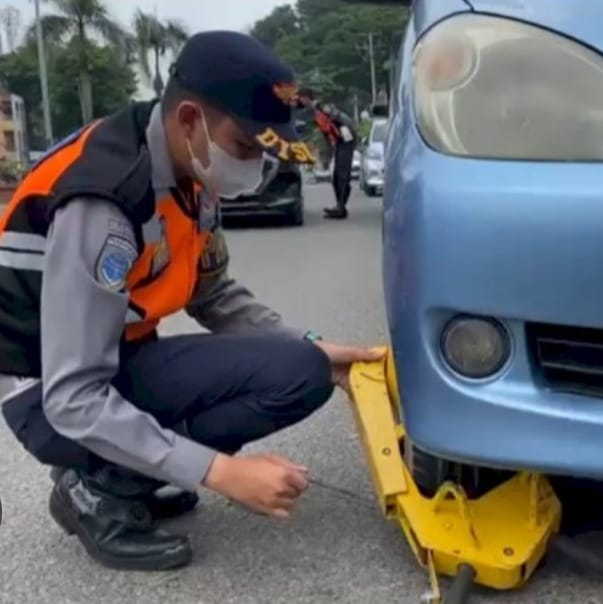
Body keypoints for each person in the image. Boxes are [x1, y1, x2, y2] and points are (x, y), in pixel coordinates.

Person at [0, 30, 383, 572]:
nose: (253, 164)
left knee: (302, 369)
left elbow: (214, 293)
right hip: (48, 394)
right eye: (246, 146)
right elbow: (73, 396)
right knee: (286, 377)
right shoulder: (107, 199)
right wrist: (219, 472)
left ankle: (129, 472)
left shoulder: (190, 171)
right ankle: (97, 490)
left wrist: (316, 345)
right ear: (188, 120)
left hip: (111, 361)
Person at [295, 88, 358, 219]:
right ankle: (340, 206)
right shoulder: (314, 112)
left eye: (301, 98)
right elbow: (325, 132)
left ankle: (341, 208)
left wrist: (342, 132)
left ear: (306, 98)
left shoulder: (321, 107)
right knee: (336, 176)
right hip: (339, 141)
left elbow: (338, 118)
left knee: (342, 175)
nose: (300, 101)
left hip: (346, 139)